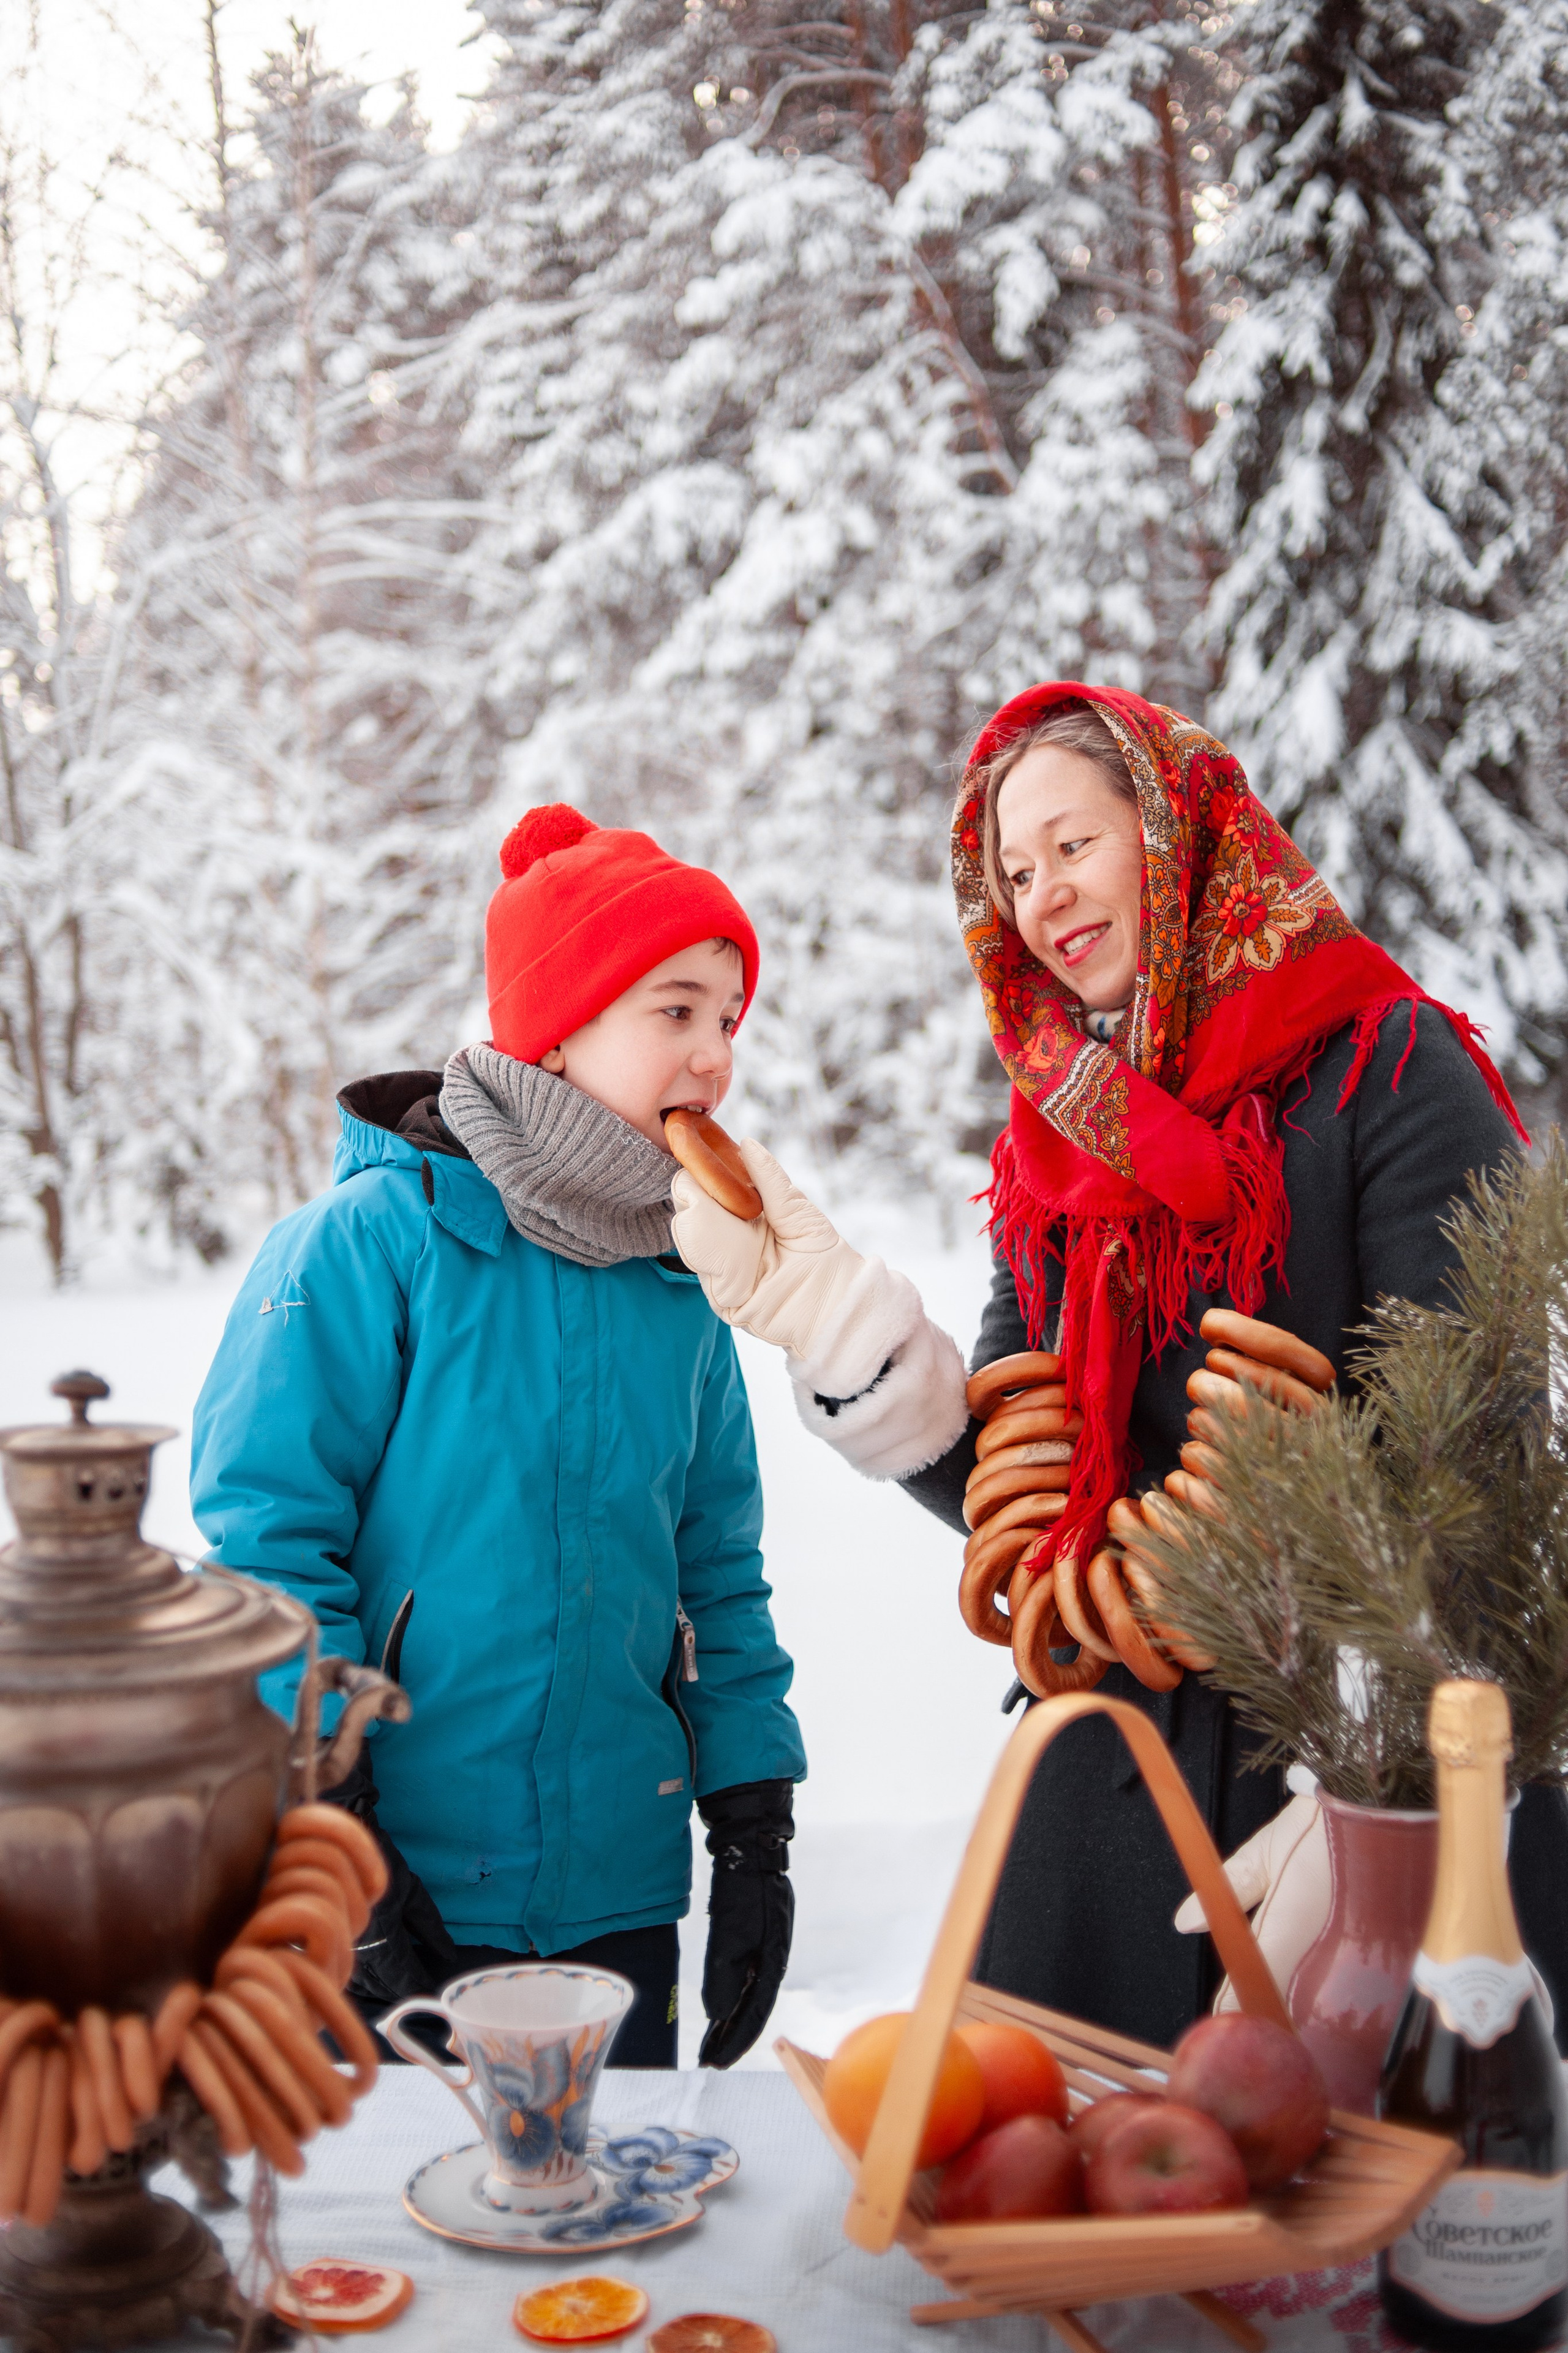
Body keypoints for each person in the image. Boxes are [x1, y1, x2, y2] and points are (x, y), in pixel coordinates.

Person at [669, 683, 1568, 2050]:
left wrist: (1368, 1796)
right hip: (1112, 1794)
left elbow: (1475, 1463)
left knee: (1396, 2226)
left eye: (1072, 845)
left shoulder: (1384, 1068)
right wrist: (844, 1328)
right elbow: (1022, 1500)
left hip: (1370, 1784)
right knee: (1063, 2216)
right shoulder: (1058, 1147)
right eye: (1011, 873)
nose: (1042, 897)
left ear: (1174, 829)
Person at [189, 803, 806, 2068]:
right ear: (561, 1026)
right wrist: (331, 1824)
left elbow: (716, 1572)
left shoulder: (684, 1281)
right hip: (398, 1883)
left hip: (617, 1899)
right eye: (675, 1010)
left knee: (610, 2235)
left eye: (727, 1018)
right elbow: (266, 1546)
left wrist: (751, 1820)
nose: (712, 1057)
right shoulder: (374, 1243)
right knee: (414, 2240)